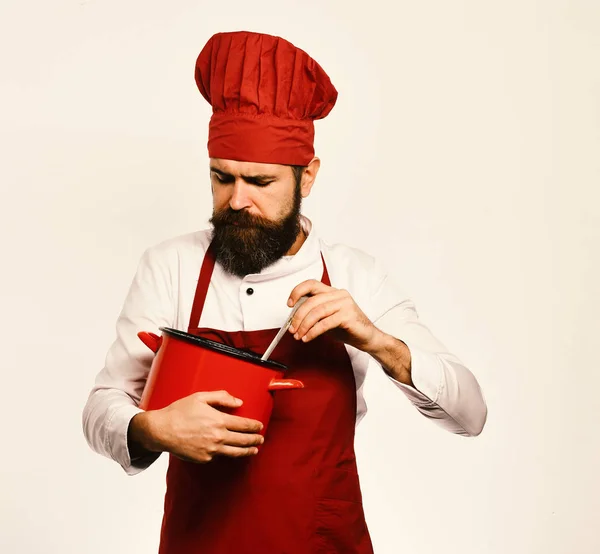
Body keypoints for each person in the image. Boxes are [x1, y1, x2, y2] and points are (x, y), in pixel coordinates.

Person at [82, 30, 487, 554]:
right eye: (222, 178)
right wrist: (151, 428)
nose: (237, 201)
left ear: (307, 177)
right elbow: (101, 407)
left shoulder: (353, 275)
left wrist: (378, 341)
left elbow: (470, 415)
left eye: (261, 182)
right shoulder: (172, 266)